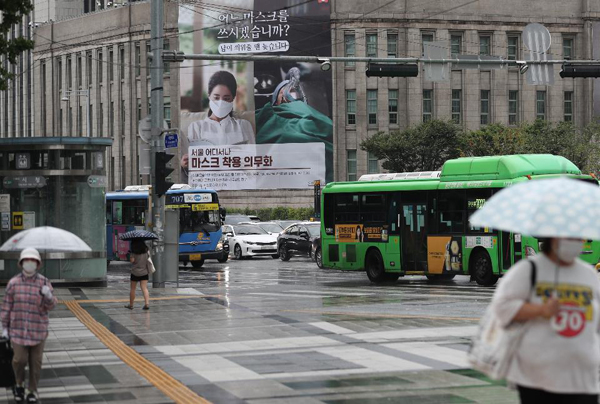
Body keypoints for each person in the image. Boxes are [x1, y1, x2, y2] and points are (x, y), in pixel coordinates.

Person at [491, 237, 600, 403]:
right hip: (537, 377)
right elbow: (501, 308)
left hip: (583, 377)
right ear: (552, 237)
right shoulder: (529, 269)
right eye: (568, 236)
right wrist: (541, 310)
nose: (575, 241)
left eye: (578, 237)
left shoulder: (589, 274)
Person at [1, 248, 57, 403]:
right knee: (18, 360)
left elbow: (51, 306)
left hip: (38, 330)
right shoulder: (13, 283)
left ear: (38, 264)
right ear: (21, 263)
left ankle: (32, 390)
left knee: (35, 363)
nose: (30, 263)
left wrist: (48, 295)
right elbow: (6, 306)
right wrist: (4, 328)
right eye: (27, 260)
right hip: (18, 331)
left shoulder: (44, 282)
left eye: (33, 260)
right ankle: (19, 384)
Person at [187, 70, 255, 146]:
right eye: (216, 98)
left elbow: (253, 155)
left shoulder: (243, 125)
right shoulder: (196, 127)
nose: (221, 103)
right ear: (209, 95)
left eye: (226, 98)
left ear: (233, 98)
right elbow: (192, 155)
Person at [125, 240, 151, 310]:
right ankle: (147, 303)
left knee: (133, 289)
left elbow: (132, 261)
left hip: (135, 272)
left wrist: (130, 255)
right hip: (144, 272)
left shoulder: (133, 252)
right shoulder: (146, 251)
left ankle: (131, 305)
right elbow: (148, 259)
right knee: (144, 288)